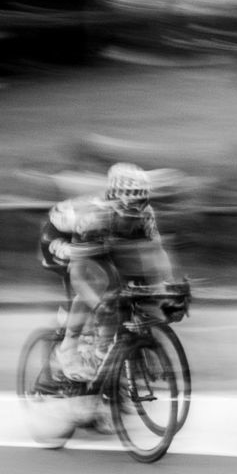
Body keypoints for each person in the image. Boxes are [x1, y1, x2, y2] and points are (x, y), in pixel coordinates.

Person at [39, 162, 175, 381]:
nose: (132, 216)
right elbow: (80, 275)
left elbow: (156, 254)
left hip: (102, 240)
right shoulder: (95, 217)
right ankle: (69, 347)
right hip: (60, 239)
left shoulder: (145, 215)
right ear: (114, 201)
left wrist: (167, 288)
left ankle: (106, 348)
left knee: (123, 285)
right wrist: (99, 305)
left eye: (138, 206)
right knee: (98, 286)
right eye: (127, 211)